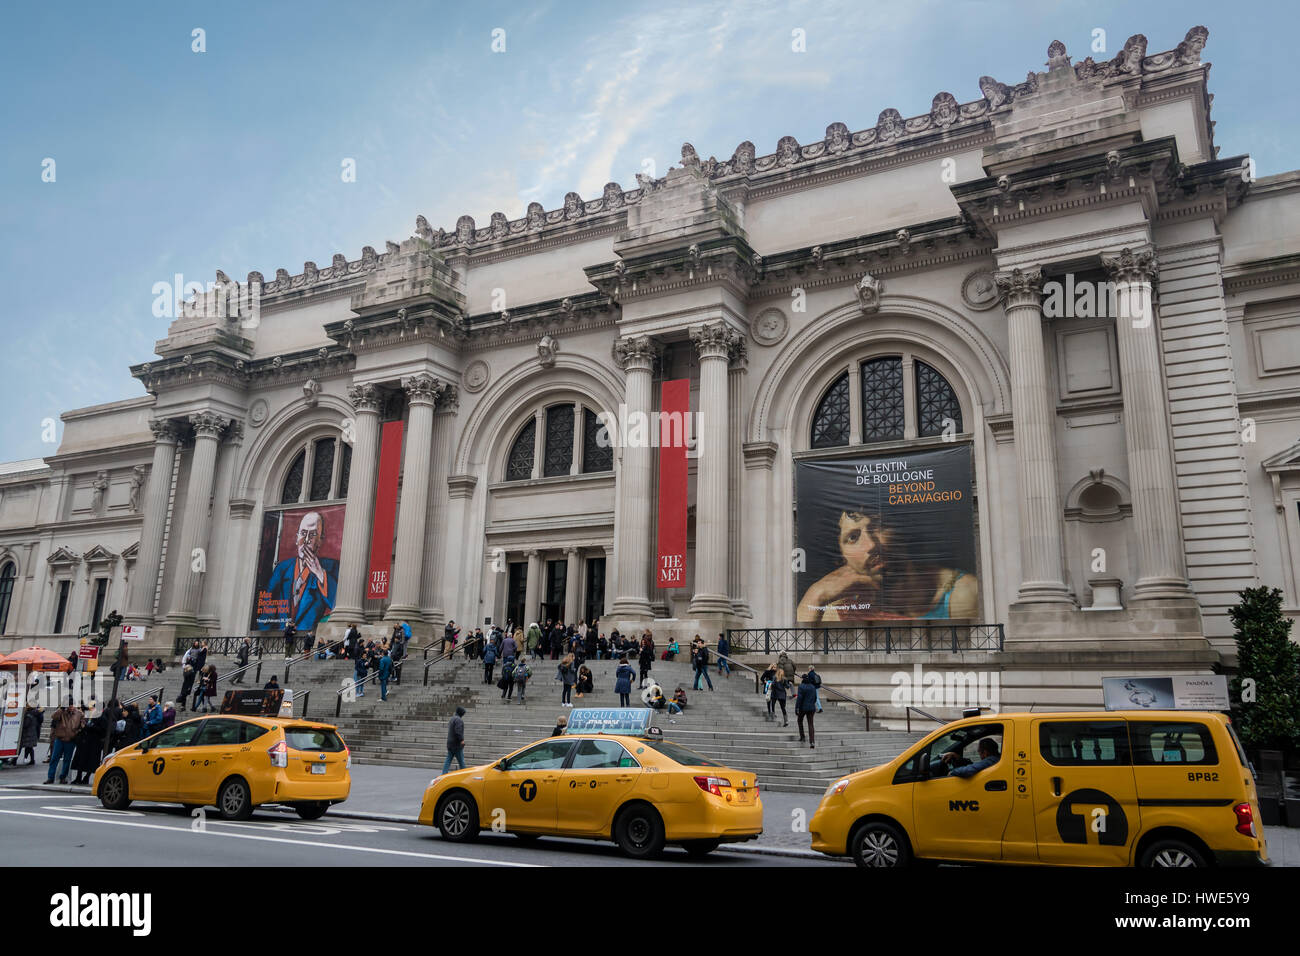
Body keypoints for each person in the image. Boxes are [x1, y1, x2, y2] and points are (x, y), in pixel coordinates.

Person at [796, 507, 978, 622]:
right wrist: (814, 596)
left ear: (901, 531)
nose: (872, 545)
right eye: (853, 537)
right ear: (842, 559)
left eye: (878, 525)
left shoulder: (963, 592)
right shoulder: (836, 611)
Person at [258, 510, 339, 631]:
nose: (306, 540)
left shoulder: (331, 567)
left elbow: (338, 605)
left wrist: (320, 573)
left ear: (320, 541)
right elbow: (266, 610)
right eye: (303, 533)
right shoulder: (282, 569)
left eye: (312, 535)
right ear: (297, 538)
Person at [46, 698, 84, 784]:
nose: (71, 707)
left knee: (67, 760)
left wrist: (76, 733)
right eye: (69, 705)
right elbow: (53, 717)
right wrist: (61, 709)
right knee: (54, 758)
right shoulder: (61, 712)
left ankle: (63, 777)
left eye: (72, 705)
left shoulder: (79, 714)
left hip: (71, 740)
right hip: (60, 738)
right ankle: (50, 777)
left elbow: (82, 726)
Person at [70, 708, 105, 786]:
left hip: (94, 742)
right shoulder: (88, 715)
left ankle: (87, 777)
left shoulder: (101, 717)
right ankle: (78, 777)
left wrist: (90, 727)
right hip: (84, 741)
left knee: (91, 760)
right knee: (81, 759)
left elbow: (102, 730)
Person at [796, 672, 818, 749]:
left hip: (803, 708)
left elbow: (799, 698)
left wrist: (797, 708)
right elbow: (815, 698)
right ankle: (812, 742)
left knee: (799, 720)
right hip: (811, 708)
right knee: (810, 724)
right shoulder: (813, 687)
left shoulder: (801, 686)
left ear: (802, 679)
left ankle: (802, 737)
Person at [442, 706, 467, 774]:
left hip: (450, 743)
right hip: (456, 745)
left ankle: (444, 773)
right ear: (461, 713)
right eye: (463, 713)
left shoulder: (452, 719)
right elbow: (458, 731)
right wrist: (461, 740)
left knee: (448, 760)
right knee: (461, 761)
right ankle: (465, 774)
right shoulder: (459, 720)